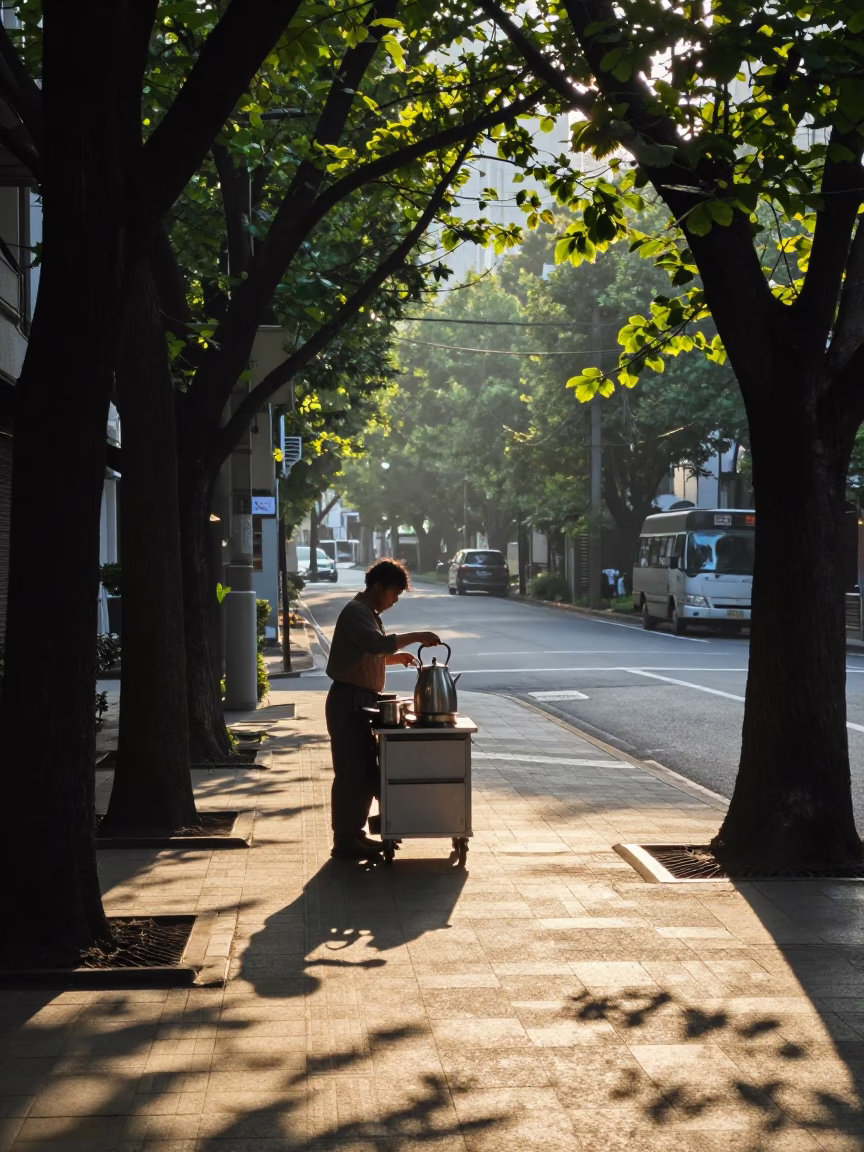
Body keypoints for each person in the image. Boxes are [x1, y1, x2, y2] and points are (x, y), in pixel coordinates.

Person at [325, 558, 440, 859]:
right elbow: (376, 645)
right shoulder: (356, 612)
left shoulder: (369, 613)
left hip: (362, 699)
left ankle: (355, 833)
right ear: (378, 587)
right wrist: (417, 636)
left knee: (364, 772)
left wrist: (396, 657)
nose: (395, 600)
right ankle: (344, 840)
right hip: (348, 700)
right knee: (350, 772)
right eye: (394, 593)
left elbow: (369, 653)